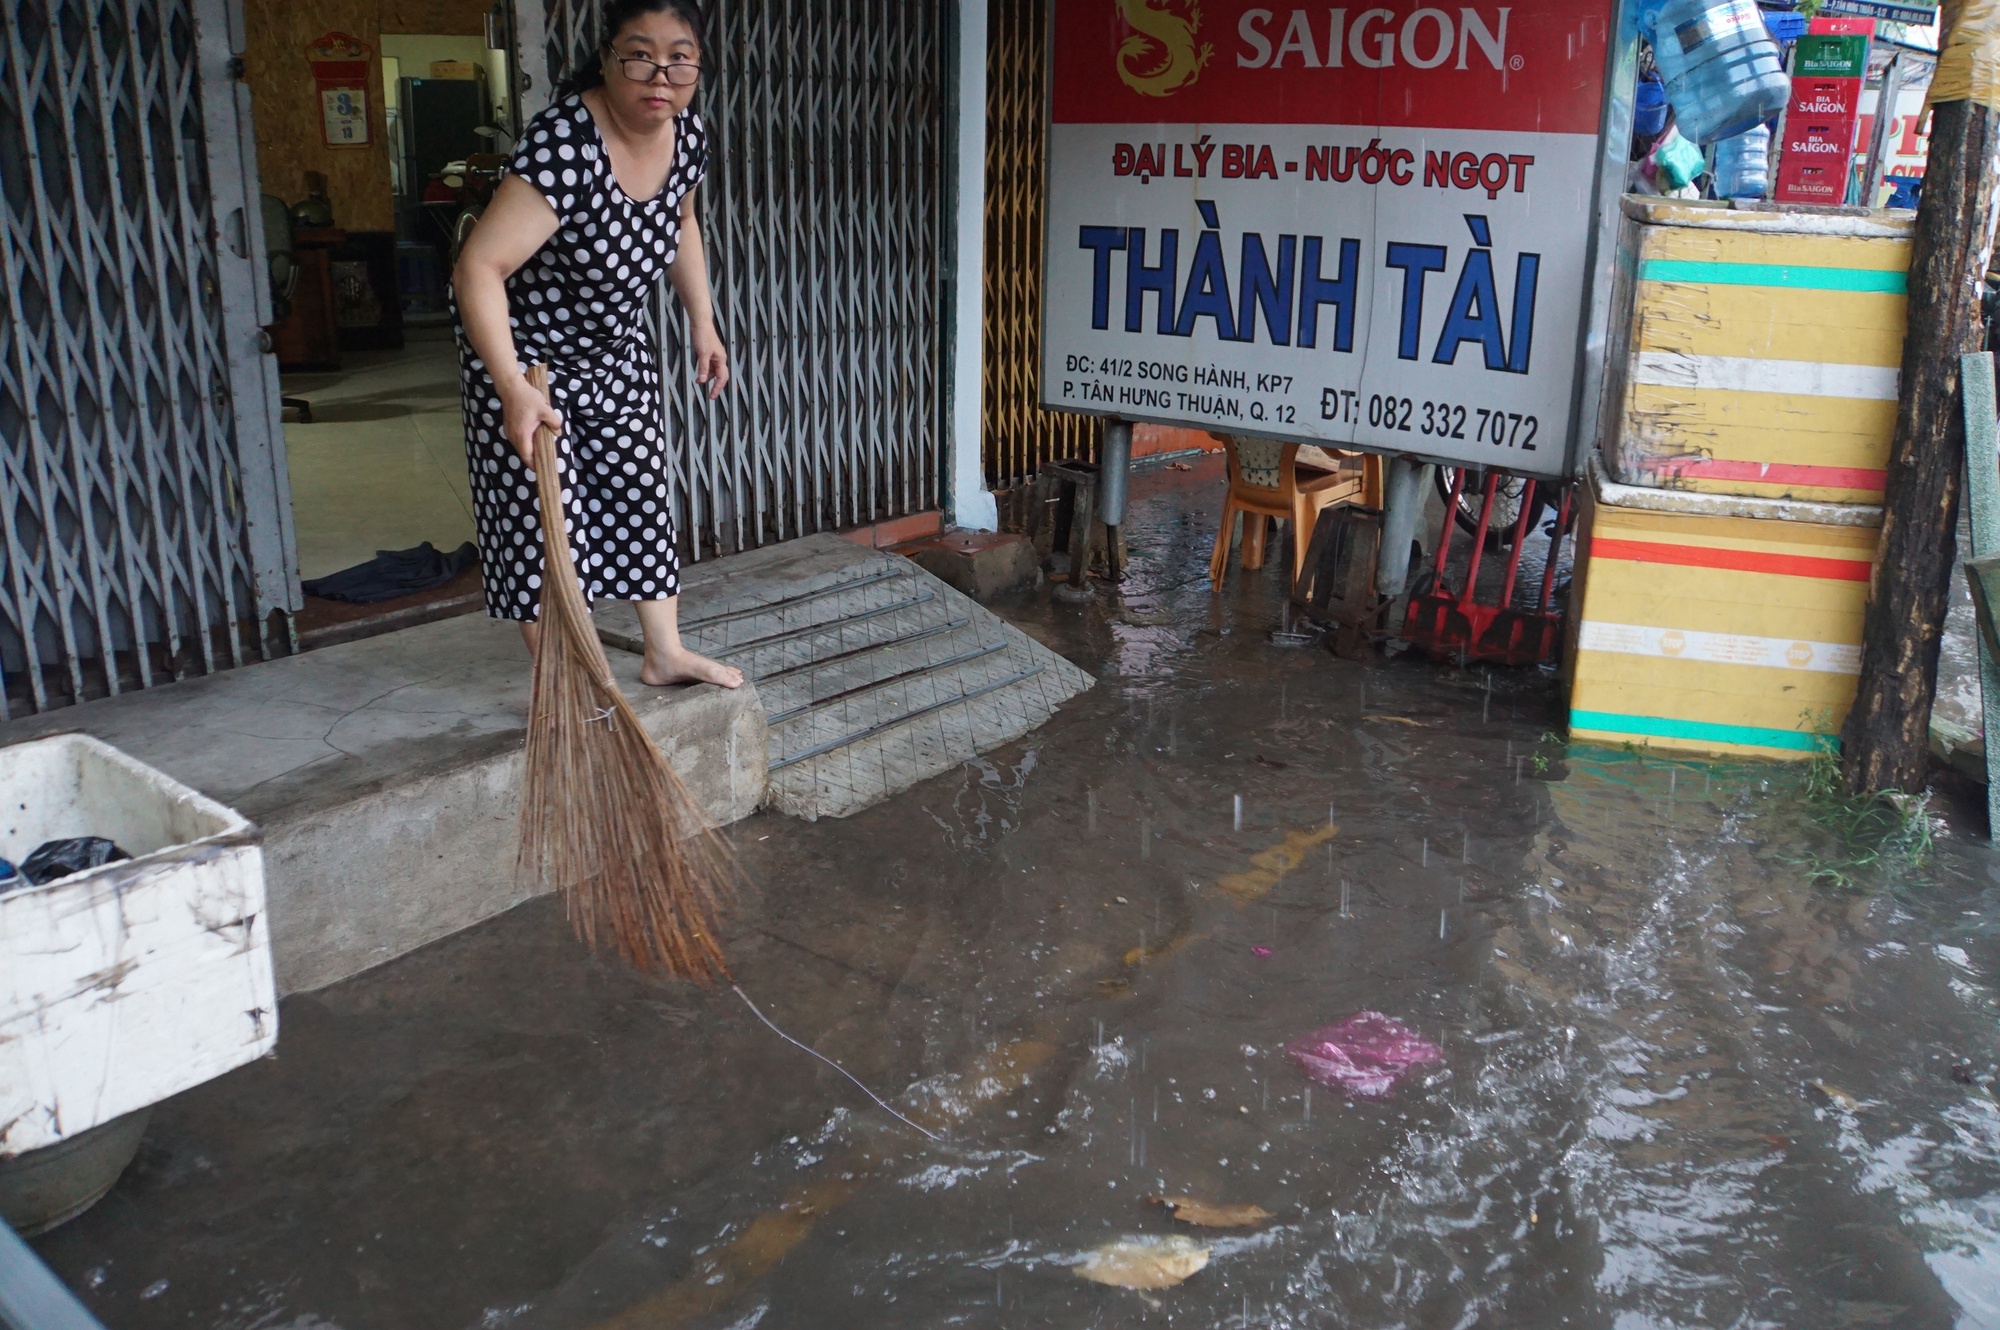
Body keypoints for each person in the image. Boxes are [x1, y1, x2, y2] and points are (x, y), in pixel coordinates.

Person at [452, 0, 742, 688]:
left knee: (640, 491)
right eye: (639, 53)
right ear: (607, 57)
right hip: (528, 360)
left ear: (698, 67)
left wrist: (701, 318)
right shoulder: (566, 142)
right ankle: (567, 677)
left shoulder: (687, 133)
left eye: (680, 57)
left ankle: (663, 652)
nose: (660, 73)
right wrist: (512, 387)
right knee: (546, 522)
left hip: (613, 350)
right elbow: (477, 268)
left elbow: (683, 222)